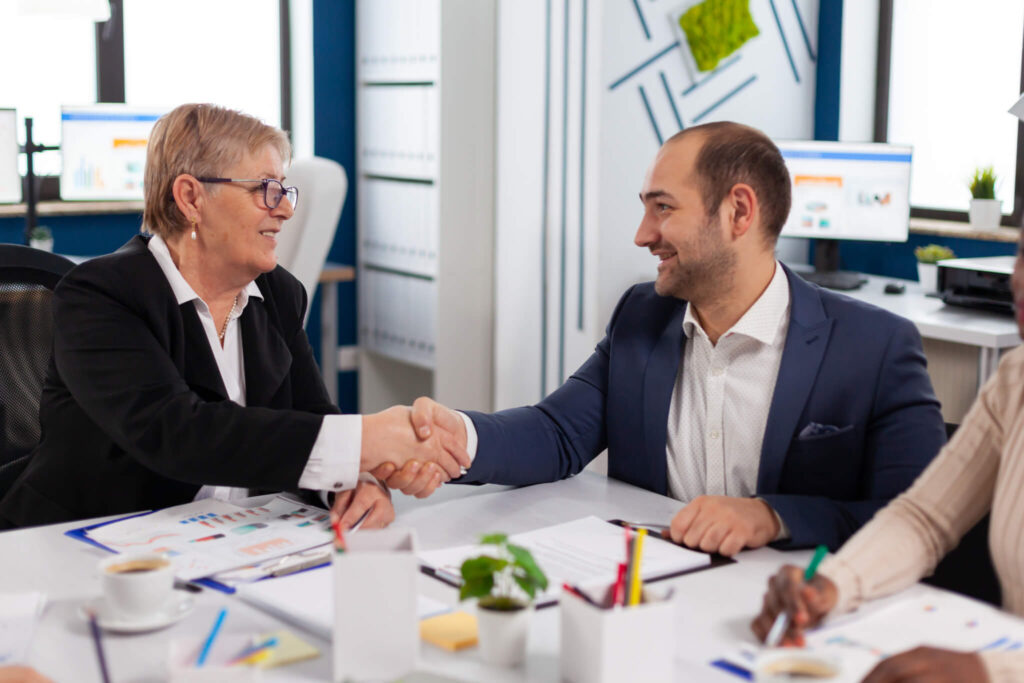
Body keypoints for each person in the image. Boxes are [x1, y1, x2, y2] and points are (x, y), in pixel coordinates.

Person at [394, 121, 946, 556]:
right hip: (656, 591)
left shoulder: (875, 348)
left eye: (663, 208)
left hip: (799, 610)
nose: (642, 235)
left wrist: (773, 516)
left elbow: (918, 519)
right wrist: (459, 436)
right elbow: (558, 433)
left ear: (738, 211)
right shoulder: (643, 316)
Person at [0, 103, 467, 530]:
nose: (286, 209)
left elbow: (311, 416)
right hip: (81, 548)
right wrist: (366, 440)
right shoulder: (99, 295)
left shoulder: (279, 293)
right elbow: (178, 434)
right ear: (191, 198)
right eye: (266, 190)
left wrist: (351, 482)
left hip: (226, 544)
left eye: (285, 190)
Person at [750, 235, 1024, 683]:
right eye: (1023, 254)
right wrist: (832, 585)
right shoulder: (1016, 380)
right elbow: (924, 518)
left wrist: (993, 672)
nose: (1020, 279)